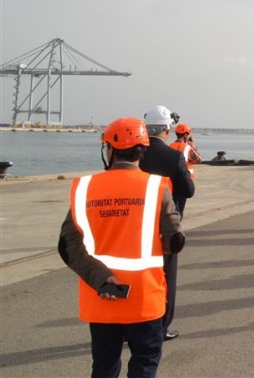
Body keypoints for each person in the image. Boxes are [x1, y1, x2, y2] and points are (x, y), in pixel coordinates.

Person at [58, 117, 185, 378]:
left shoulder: (85, 189)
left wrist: (102, 278)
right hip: (145, 299)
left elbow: (67, 246)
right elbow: (174, 240)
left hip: (102, 297)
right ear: (142, 150)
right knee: (144, 363)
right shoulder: (156, 187)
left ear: (111, 149)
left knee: (104, 366)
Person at [140, 105, 194, 342]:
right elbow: (188, 190)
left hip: (135, 225)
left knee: (137, 275)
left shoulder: (133, 153)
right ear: (166, 130)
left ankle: (131, 323)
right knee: (165, 277)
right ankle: (161, 327)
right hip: (165, 227)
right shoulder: (173, 156)